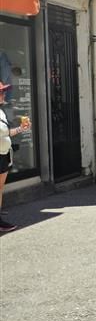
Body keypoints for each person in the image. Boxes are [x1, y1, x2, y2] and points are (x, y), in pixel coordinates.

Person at [0, 81, 31, 232]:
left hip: (4, 154)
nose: (3, 94)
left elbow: (6, 133)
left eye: (3, 91)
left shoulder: (1, 111)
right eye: (1, 92)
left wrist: (20, 128)